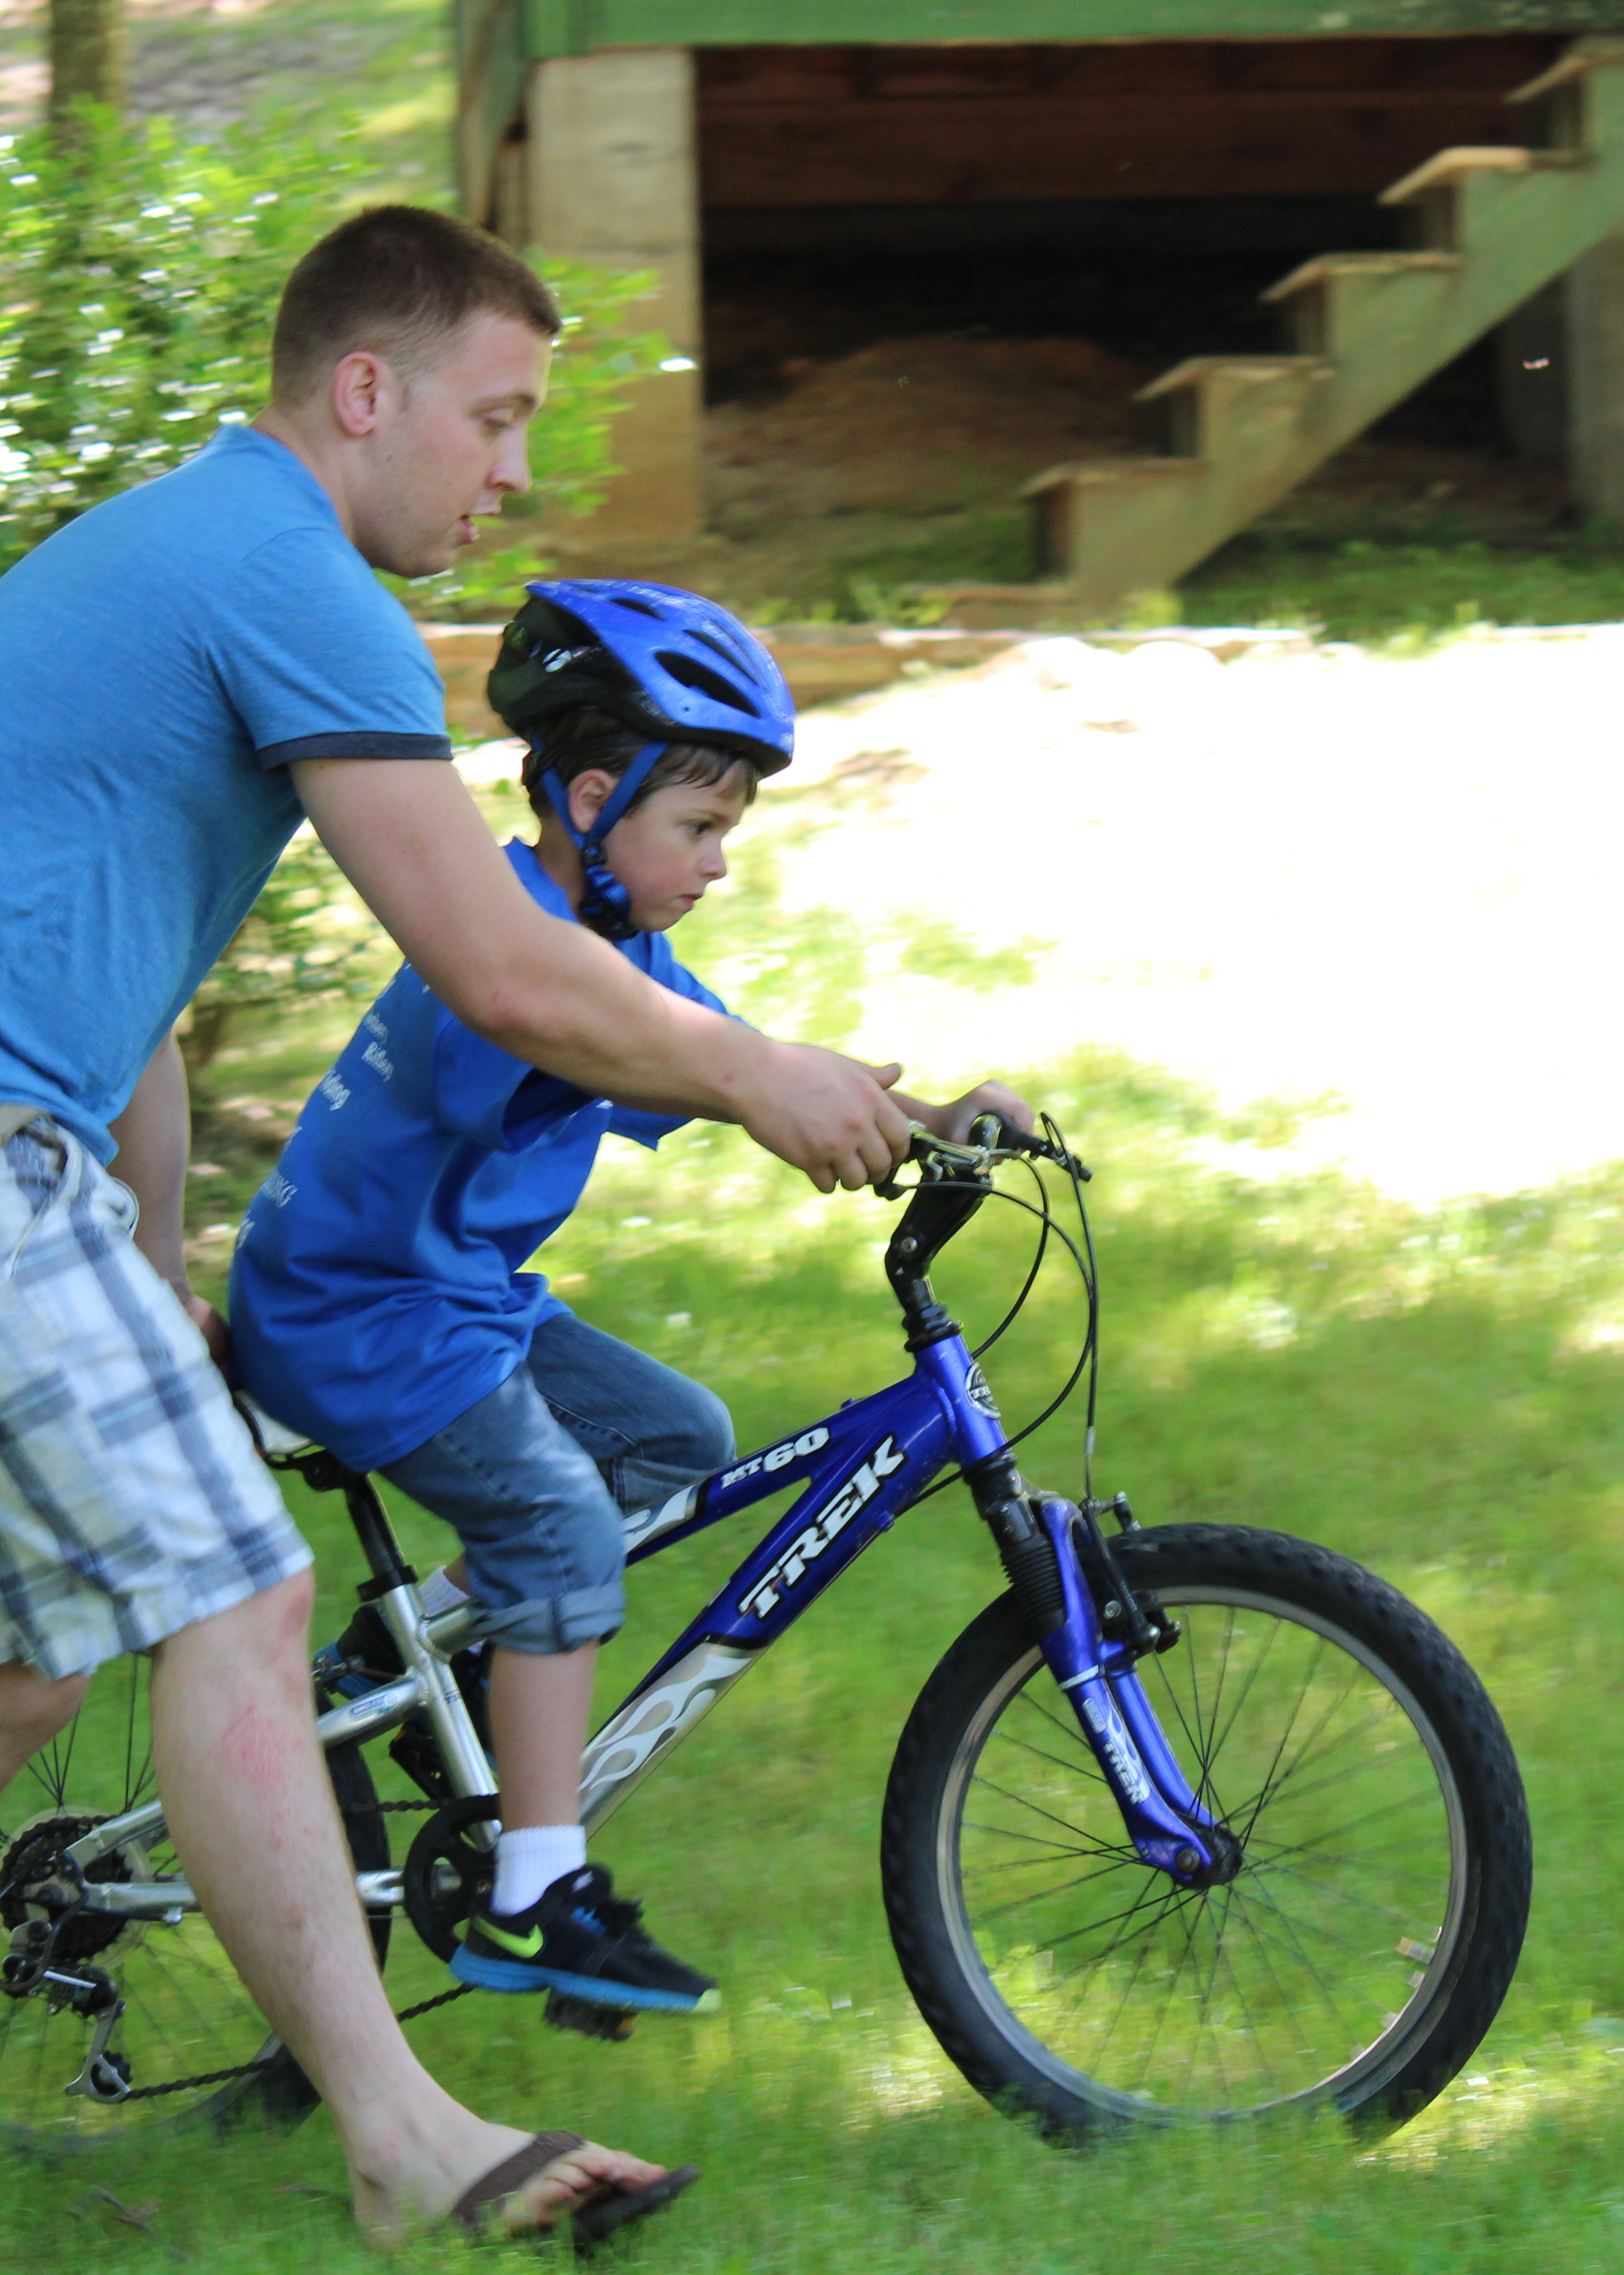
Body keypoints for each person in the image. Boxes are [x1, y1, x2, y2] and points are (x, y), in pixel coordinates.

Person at [0, 205, 914, 2248]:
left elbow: (115, 981)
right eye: (493, 420)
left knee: (4, 1670)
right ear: (365, 388)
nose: (512, 475)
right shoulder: (291, 582)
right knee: (239, 1599)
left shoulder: (209, 555)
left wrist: (144, 1264)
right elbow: (498, 963)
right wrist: (756, 1075)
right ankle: (401, 2135)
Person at [227, 579, 1034, 2018]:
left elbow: (733, 1056)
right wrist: (758, 1094)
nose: (718, 863)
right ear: (592, 800)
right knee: (554, 1526)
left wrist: (930, 1119)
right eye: (700, 829)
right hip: (357, 1308)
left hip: (457, 1294)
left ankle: (395, 1657)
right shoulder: (519, 950)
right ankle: (537, 1898)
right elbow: (656, 1062)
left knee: (674, 1442)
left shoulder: (613, 950)